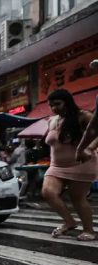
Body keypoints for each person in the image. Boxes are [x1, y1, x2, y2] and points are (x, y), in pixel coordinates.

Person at [42, 89, 97, 241]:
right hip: (56, 166)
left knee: (77, 198)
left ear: (68, 102)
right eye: (51, 105)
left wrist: (89, 148)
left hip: (81, 163)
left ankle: (89, 230)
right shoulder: (51, 120)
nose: (54, 108)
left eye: (58, 104)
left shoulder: (83, 116)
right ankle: (69, 222)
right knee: (48, 192)